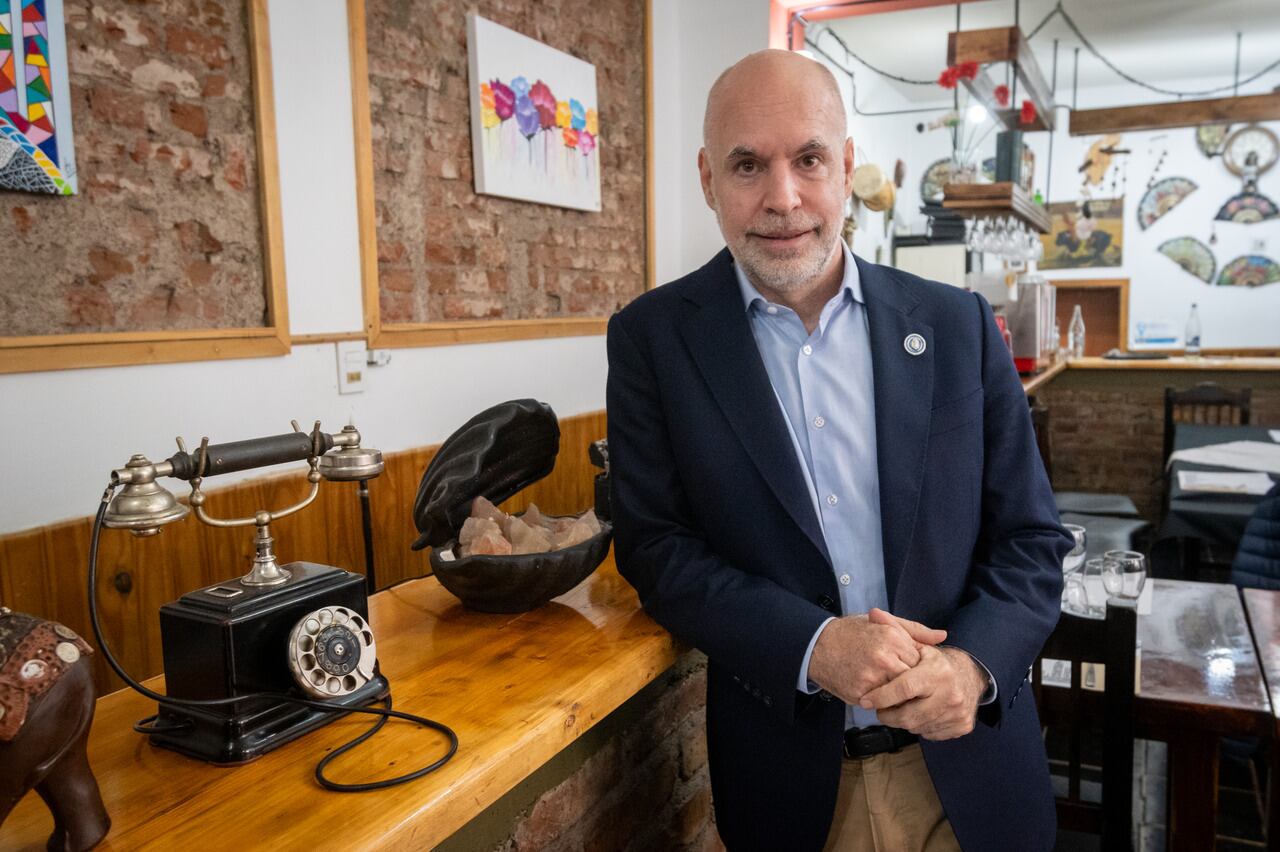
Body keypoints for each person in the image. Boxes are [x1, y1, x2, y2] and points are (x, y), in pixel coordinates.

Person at [605, 50, 1071, 851]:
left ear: (847, 166)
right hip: (790, 788)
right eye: (747, 164)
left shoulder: (957, 325)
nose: (782, 199)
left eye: (809, 159)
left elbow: (1032, 541)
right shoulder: (653, 340)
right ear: (708, 179)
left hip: (971, 769)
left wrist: (971, 669)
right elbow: (657, 550)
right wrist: (811, 646)